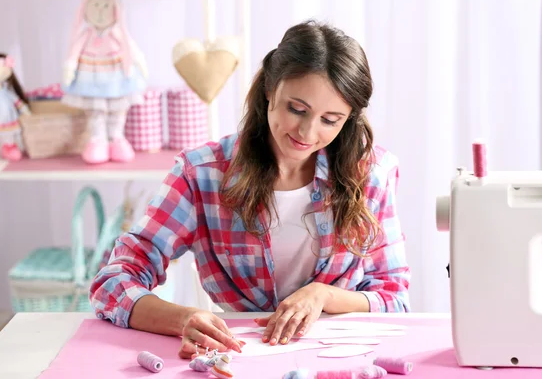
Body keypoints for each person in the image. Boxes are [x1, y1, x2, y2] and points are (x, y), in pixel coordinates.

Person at [89, 20, 411, 360]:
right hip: (240, 356)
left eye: (330, 120)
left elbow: (394, 298)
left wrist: (323, 296)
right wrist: (182, 318)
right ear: (270, 88)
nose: (307, 131)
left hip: (341, 356)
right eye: (297, 109)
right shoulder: (203, 175)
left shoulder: (371, 173)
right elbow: (113, 281)